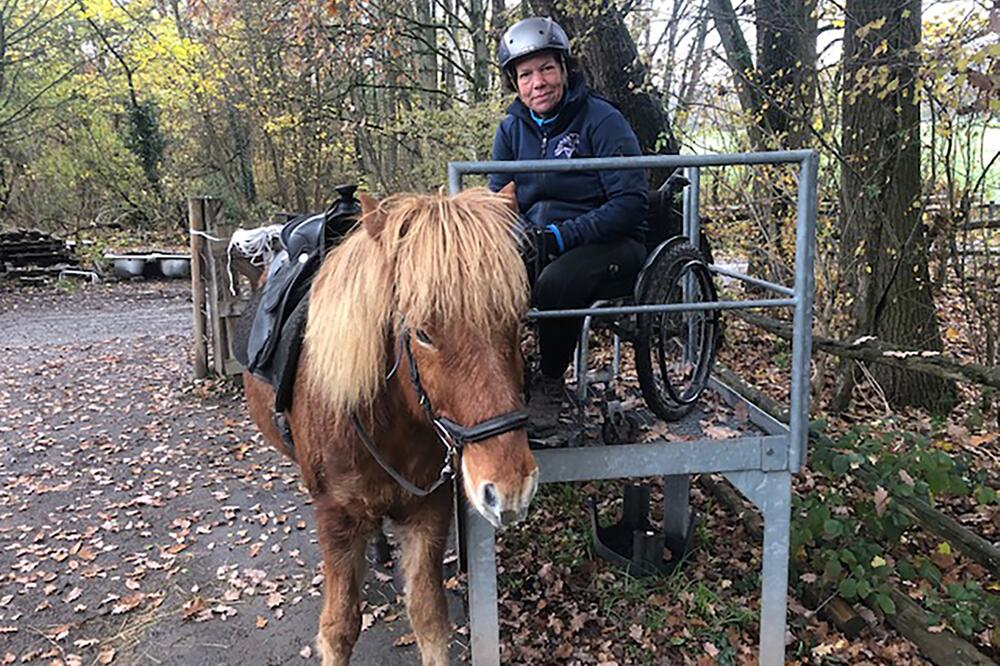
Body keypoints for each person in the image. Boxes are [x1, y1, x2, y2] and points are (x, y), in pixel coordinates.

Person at [488, 16, 649, 430]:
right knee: (479, 279)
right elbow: (498, 200)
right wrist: (518, 235)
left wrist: (561, 236)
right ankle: (497, 375)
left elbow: (630, 203)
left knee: (555, 283)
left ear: (563, 69)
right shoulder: (510, 131)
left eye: (546, 69)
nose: (537, 82)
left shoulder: (601, 120)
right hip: (537, 240)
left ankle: (550, 380)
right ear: (515, 83)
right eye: (526, 74)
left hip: (610, 241)